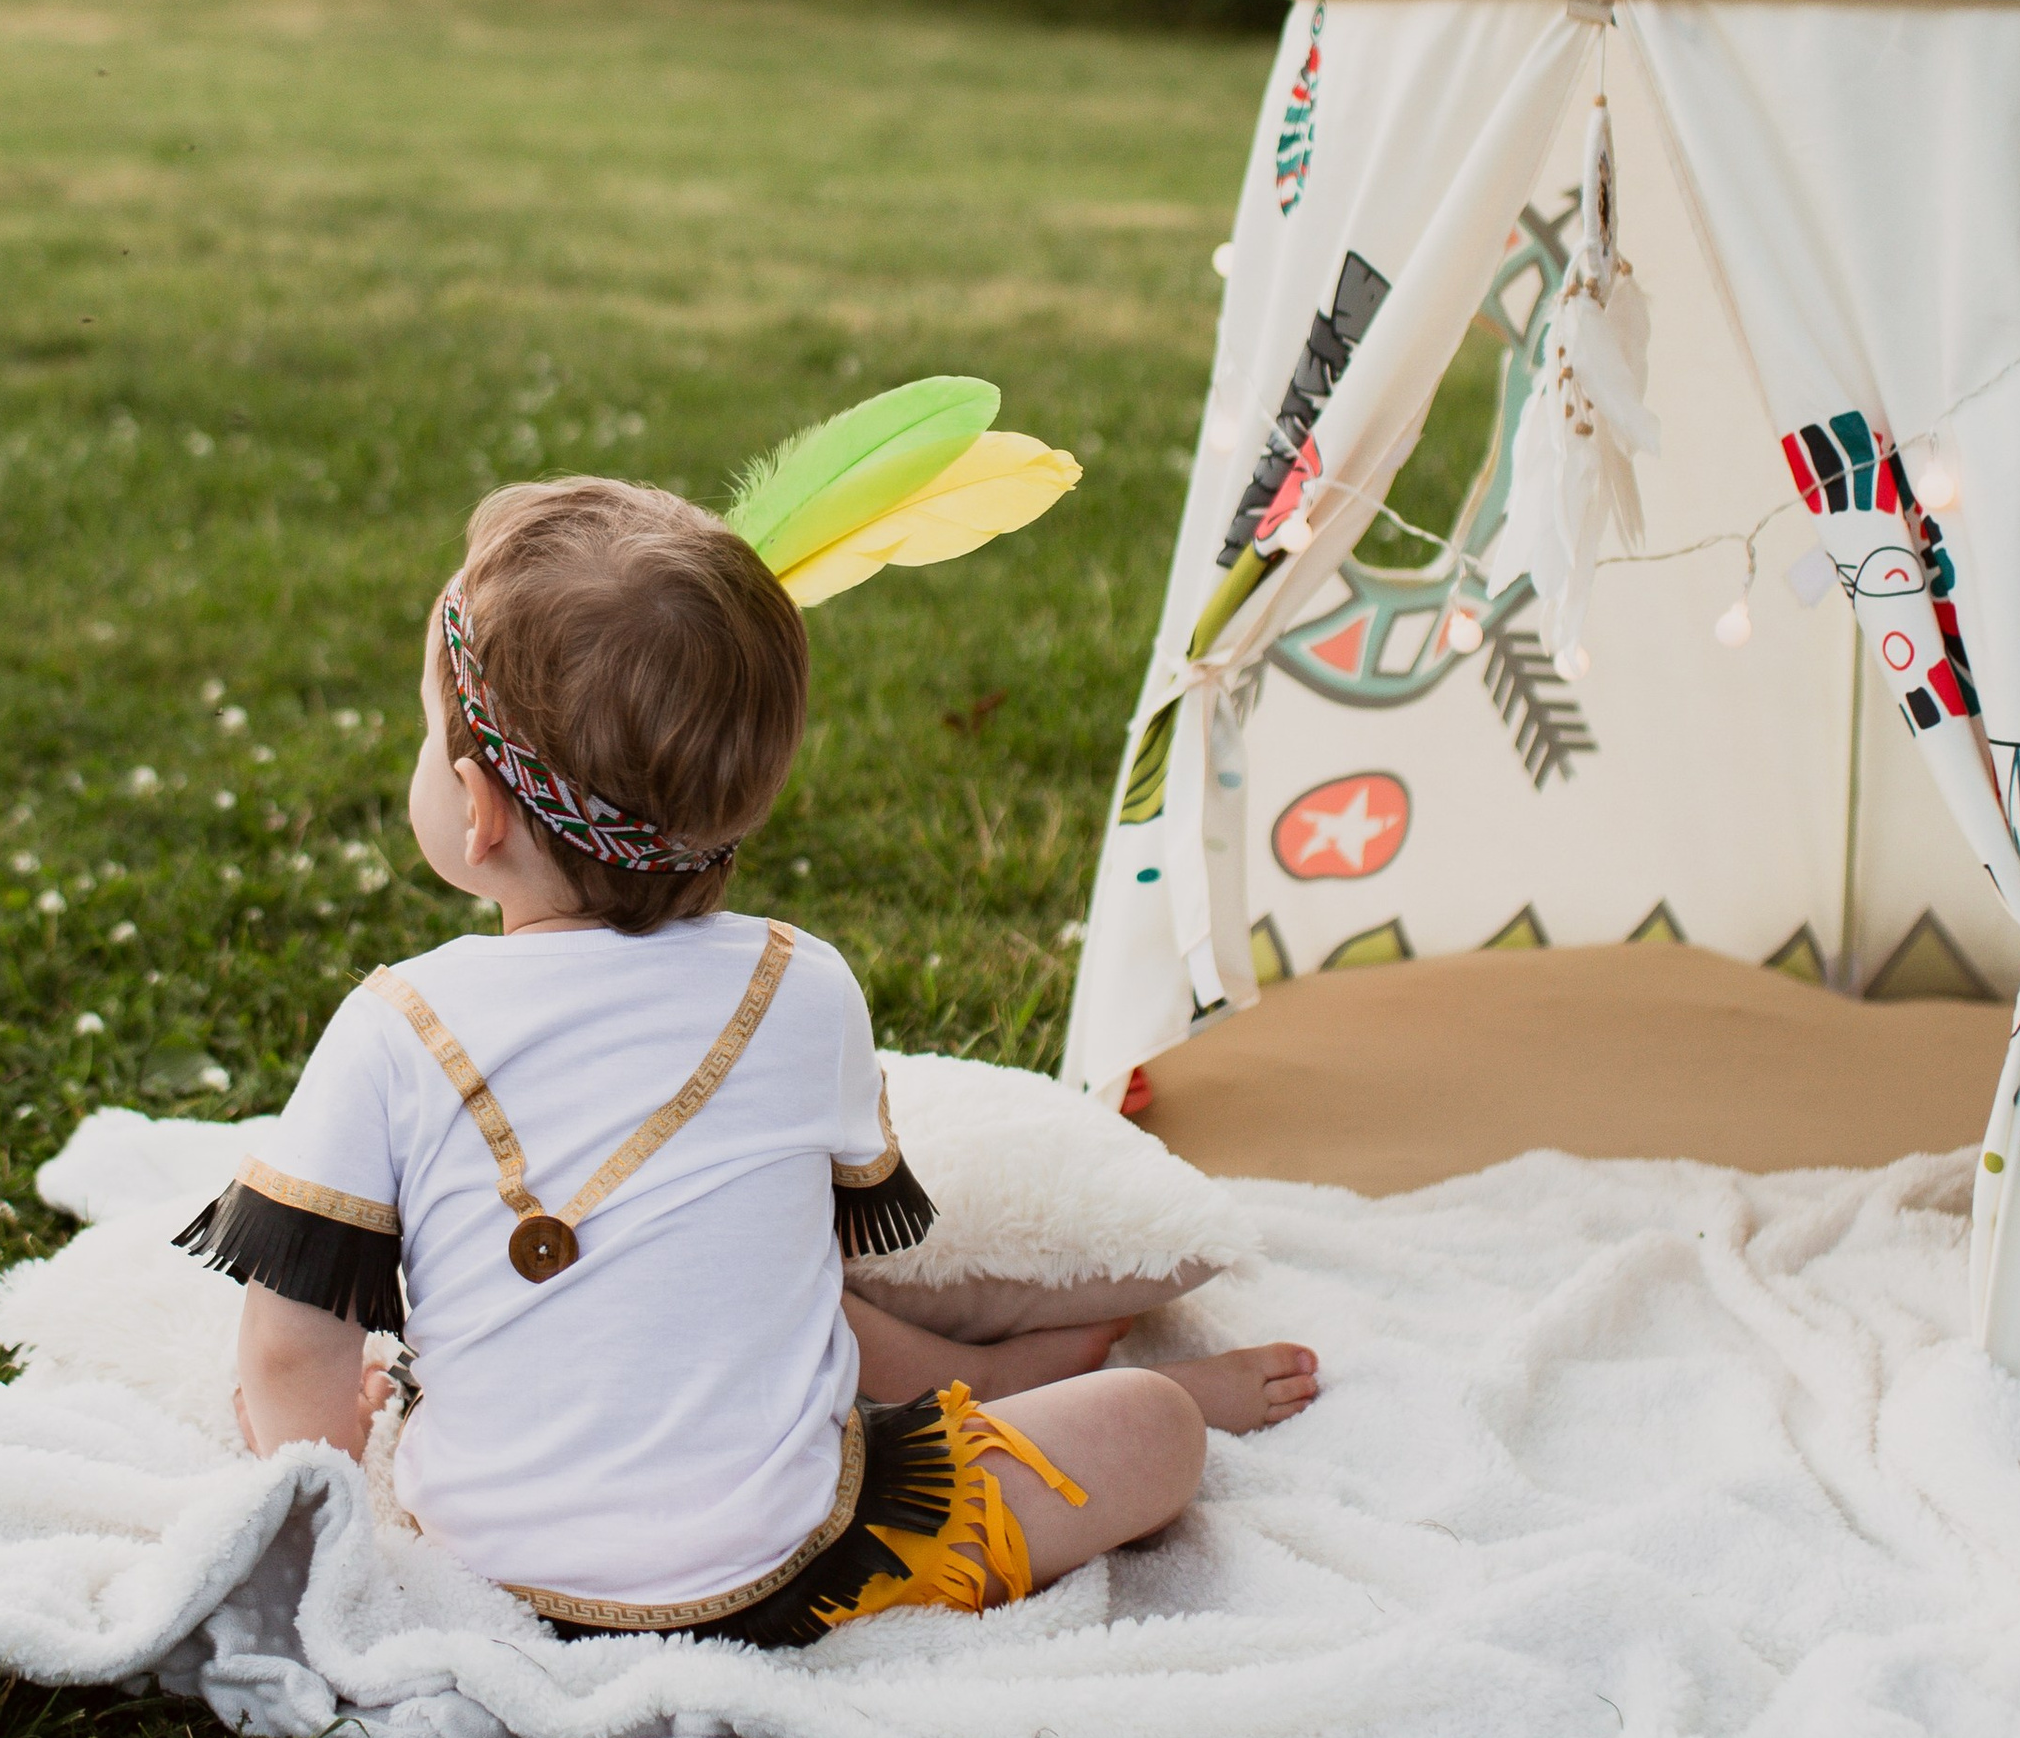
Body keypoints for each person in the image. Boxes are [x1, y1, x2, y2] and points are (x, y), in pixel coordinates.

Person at [178, 475, 1317, 1645]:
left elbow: (288, 1343)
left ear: (477, 813)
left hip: (492, 1575)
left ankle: (985, 1381)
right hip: (806, 1562)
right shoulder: (801, 987)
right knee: (1151, 1429)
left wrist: (320, 1477)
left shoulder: (395, 1023)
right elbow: (785, 1272)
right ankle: (1005, 1394)